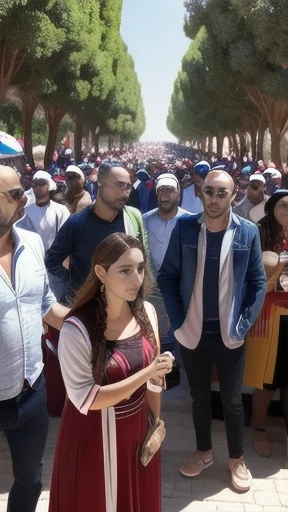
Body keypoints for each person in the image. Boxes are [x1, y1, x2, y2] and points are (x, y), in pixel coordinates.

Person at [158, 170, 267, 491]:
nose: (215, 199)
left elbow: (258, 283)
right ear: (200, 192)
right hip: (191, 333)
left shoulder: (248, 232)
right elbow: (166, 276)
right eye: (209, 192)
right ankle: (203, 452)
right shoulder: (184, 228)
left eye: (222, 193)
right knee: (199, 397)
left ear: (234, 195)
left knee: (233, 402)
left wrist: (243, 324)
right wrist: (178, 324)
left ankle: (236, 459)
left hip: (230, 333)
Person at [48, 233, 174, 512]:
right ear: (101, 273)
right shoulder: (76, 329)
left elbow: (154, 383)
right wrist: (147, 372)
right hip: (92, 438)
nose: (136, 279)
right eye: (125, 270)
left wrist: (156, 424)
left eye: (141, 268)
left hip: (138, 432)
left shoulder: (148, 312)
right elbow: (86, 399)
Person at [0, 165, 69, 512]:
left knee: (30, 481)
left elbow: (46, 305)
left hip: (32, 394)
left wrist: (85, 322)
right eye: (10, 194)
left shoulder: (33, 242)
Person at [45, 161, 146, 303]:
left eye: (128, 187)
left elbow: (143, 261)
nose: (125, 192)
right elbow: (51, 261)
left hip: (123, 308)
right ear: (100, 182)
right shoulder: (76, 223)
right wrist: (70, 295)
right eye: (119, 185)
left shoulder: (133, 218)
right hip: (87, 311)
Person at [245, 190, 288, 457]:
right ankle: (258, 427)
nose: (287, 210)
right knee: (267, 377)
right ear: (272, 207)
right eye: (283, 205)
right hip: (269, 315)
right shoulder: (259, 234)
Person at [21, 170, 70, 252]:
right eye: (34, 183)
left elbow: (66, 239)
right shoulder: (26, 211)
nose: (37, 186)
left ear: (49, 185)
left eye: (41, 183)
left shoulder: (60, 211)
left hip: (53, 259)